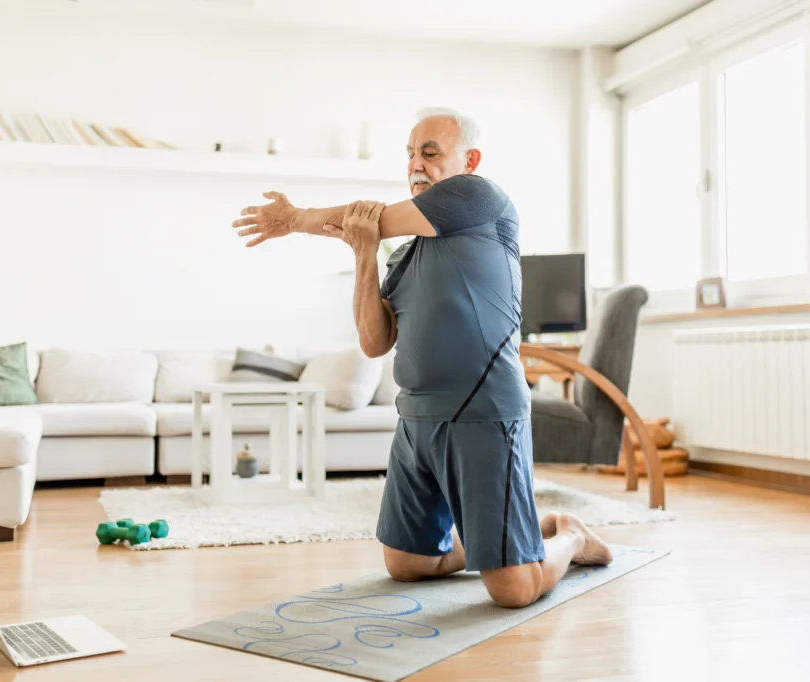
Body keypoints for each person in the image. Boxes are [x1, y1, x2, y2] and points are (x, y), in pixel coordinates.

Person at [231, 107, 613, 609]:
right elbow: (374, 341)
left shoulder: (482, 198)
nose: (417, 163)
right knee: (407, 563)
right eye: (410, 153)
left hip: (483, 415)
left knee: (514, 590)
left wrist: (294, 219)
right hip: (416, 422)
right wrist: (363, 253)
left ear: (468, 159)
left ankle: (572, 540)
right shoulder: (402, 256)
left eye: (430, 152)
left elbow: (372, 217)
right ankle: (521, 535)